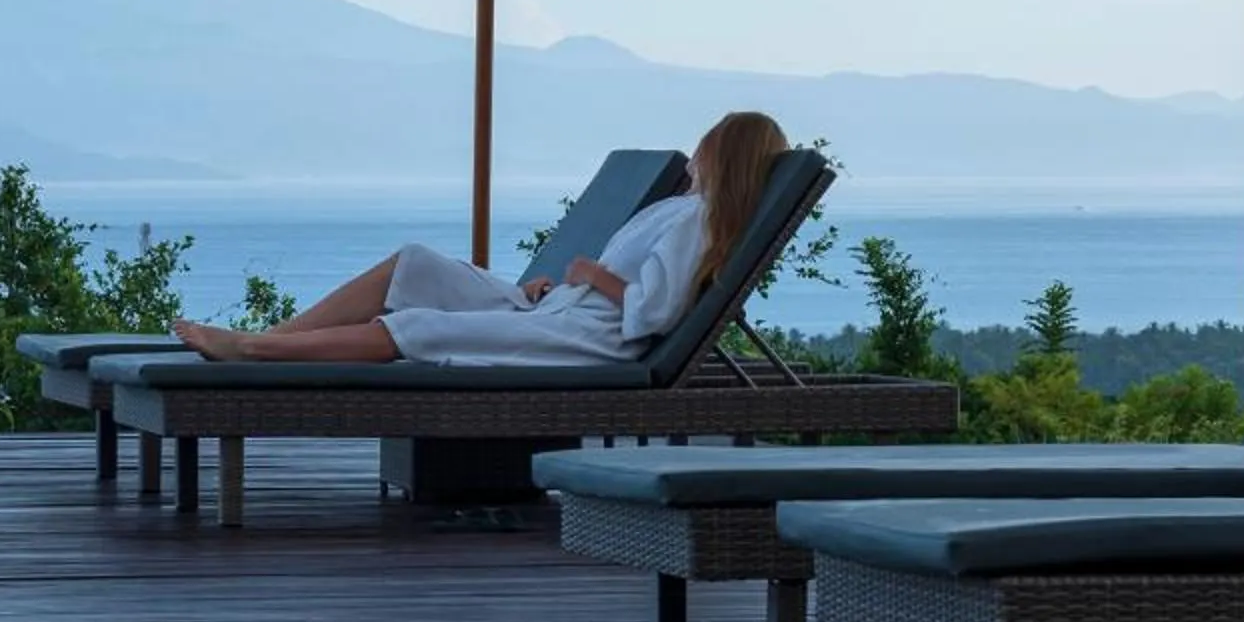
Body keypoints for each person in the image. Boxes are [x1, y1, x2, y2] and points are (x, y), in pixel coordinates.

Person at [172, 111, 793, 365]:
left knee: (420, 326)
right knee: (414, 264)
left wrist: (590, 275)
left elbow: (653, 313)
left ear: (721, 154)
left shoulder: (696, 221)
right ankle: (277, 336)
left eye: (704, 146)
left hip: (583, 338)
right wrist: (558, 289)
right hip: (557, 311)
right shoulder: (684, 211)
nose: (694, 156)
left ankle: (256, 352)